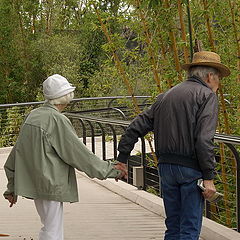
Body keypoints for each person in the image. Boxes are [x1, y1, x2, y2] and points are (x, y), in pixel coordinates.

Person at [117, 51, 230, 240]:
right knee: (189, 229)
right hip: (191, 171)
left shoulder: (166, 95)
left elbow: (135, 127)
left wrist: (122, 159)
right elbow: (204, 140)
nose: (218, 84)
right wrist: (209, 177)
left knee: (173, 227)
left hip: (166, 169)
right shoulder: (207, 96)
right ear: (210, 76)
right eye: (219, 78)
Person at [3, 74, 127, 240]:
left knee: (49, 226)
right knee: (52, 231)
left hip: (36, 183)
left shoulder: (33, 116)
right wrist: (111, 170)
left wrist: (12, 187)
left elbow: (16, 154)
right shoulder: (57, 120)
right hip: (51, 183)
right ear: (66, 96)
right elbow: (79, 155)